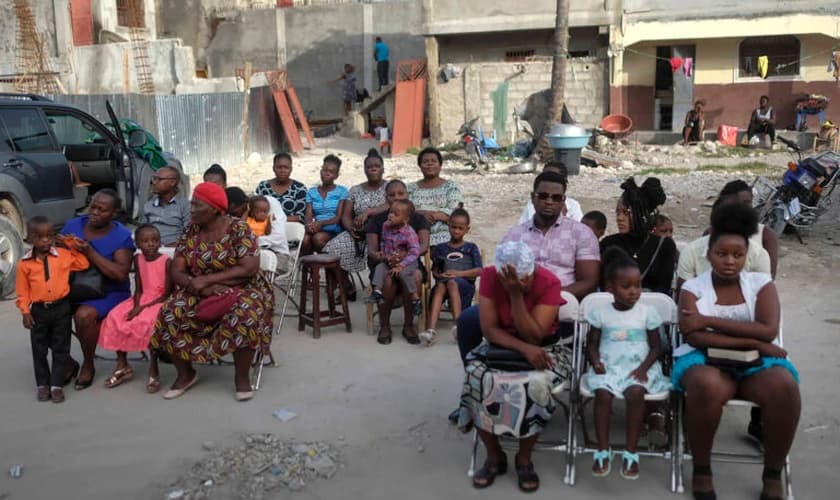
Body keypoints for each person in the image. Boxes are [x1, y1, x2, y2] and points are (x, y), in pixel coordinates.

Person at [674, 202, 800, 500]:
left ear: (747, 256)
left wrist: (708, 322)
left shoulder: (761, 283)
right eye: (722, 254)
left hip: (754, 364)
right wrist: (756, 342)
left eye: (738, 255)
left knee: (784, 388)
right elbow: (695, 339)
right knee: (707, 386)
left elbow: (769, 329)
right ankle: (702, 469)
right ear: (708, 254)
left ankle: (772, 473)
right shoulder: (693, 287)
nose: (730, 261)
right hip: (705, 360)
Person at [457, 241, 571, 493]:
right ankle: (494, 455)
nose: (522, 284)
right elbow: (489, 329)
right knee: (475, 377)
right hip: (502, 346)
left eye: (525, 280)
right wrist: (524, 349)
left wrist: (515, 295)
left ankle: (524, 458)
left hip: (545, 348)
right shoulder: (489, 276)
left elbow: (534, 337)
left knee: (537, 384)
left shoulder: (548, 282)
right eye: (510, 281)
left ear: (532, 271)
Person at [456, 171, 600, 363]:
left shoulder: (581, 234)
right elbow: (500, 273)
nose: (549, 201)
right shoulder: (514, 235)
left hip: (561, 302)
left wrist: (548, 296)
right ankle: (477, 379)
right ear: (533, 198)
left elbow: (589, 281)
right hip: (514, 297)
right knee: (467, 320)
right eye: (543, 196)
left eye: (556, 197)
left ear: (563, 201)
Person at [150, 182, 274, 402]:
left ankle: (241, 377)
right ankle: (186, 374)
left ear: (215, 208)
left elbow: (249, 268)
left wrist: (208, 280)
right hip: (198, 287)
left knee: (245, 313)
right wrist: (197, 285)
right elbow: (177, 269)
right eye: (192, 204)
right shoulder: (190, 230)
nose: (192, 209)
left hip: (243, 286)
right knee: (170, 312)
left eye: (198, 205)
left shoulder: (238, 228)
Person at [584, 248, 671, 480]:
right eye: (627, 286)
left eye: (638, 286)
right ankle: (603, 449)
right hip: (609, 366)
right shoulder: (600, 313)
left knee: (635, 394)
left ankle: (631, 451)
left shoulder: (647, 313)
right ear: (610, 289)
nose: (634, 292)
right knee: (602, 395)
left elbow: (657, 347)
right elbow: (591, 343)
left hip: (640, 366)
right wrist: (595, 362)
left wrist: (643, 368)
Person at [62, 189, 136, 390]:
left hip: (109, 291)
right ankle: (66, 361)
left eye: (101, 210)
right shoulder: (73, 225)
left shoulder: (121, 236)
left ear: (113, 214)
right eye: (92, 206)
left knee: (84, 315)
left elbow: (120, 274)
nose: (93, 212)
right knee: (43, 311)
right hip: (74, 287)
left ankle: (88, 363)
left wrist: (90, 253)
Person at [15, 216, 89, 403]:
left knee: (60, 347)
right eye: (41, 237)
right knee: (39, 349)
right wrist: (25, 311)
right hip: (39, 310)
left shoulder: (62, 256)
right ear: (30, 239)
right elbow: (22, 292)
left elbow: (83, 264)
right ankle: (42, 385)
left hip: (61, 307)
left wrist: (70, 244)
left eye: (50, 236)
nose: (47, 240)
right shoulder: (24, 264)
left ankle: (56, 385)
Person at [98, 225, 170, 393]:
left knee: (147, 322)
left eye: (154, 240)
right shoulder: (138, 259)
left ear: (160, 243)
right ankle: (122, 364)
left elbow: (166, 294)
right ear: (137, 244)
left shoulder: (166, 261)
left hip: (159, 300)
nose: (151, 244)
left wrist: (143, 308)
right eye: (145, 241)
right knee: (116, 316)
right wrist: (136, 305)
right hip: (141, 298)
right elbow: (138, 289)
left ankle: (153, 368)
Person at [366, 179, 431, 345]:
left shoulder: (417, 219)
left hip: (410, 262)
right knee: (387, 280)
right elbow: (372, 250)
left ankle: (409, 325)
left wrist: (402, 256)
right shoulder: (378, 220)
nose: (396, 197)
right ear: (385, 197)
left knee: (415, 276)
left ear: (407, 195)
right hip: (384, 263)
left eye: (401, 193)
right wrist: (385, 256)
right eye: (391, 194)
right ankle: (385, 326)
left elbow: (423, 246)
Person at [322, 149, 389, 297]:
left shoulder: (389, 187)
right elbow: (346, 215)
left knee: (378, 255)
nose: (373, 168)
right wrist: (351, 229)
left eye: (376, 166)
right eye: (369, 166)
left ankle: (380, 289)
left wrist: (369, 212)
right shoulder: (355, 190)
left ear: (383, 169)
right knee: (329, 251)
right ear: (364, 170)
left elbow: (393, 204)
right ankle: (346, 285)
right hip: (357, 233)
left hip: (381, 234)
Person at [600, 177, 677, 295]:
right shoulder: (608, 244)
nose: (619, 218)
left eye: (626, 213)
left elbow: (663, 288)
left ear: (642, 214)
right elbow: (604, 286)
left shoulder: (664, 246)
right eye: (618, 212)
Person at [424, 208, 482, 346]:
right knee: (440, 285)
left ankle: (459, 326)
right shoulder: (441, 248)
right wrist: (440, 275)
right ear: (448, 226)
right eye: (454, 227)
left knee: (451, 283)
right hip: (445, 283)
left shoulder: (471, 247)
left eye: (460, 228)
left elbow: (480, 270)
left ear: (467, 229)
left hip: (464, 285)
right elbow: (435, 271)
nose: (456, 231)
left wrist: (458, 273)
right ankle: (430, 330)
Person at [369, 200, 421, 317]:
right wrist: (384, 254)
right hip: (391, 259)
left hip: (408, 261)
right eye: (390, 212)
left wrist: (401, 265)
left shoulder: (409, 233)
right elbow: (384, 241)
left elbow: (414, 252)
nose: (391, 215)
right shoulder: (386, 225)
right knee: (380, 268)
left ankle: (415, 297)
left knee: (403, 274)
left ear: (405, 219)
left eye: (395, 214)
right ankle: (377, 291)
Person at [407, 147, 463, 246]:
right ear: (420, 166)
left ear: (440, 165)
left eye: (434, 161)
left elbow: (456, 212)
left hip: (444, 236)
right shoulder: (410, 188)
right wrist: (421, 214)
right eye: (425, 161)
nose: (430, 164)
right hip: (415, 235)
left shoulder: (451, 187)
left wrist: (434, 216)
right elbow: (404, 210)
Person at [303, 154, 348, 255]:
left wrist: (321, 223)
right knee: (305, 240)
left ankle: (331, 265)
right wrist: (308, 225)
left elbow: (338, 217)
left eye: (331, 172)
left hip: (333, 229)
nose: (326, 173)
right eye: (324, 170)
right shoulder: (312, 192)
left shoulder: (342, 191)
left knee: (318, 239)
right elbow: (308, 215)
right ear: (320, 171)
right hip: (316, 228)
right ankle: (308, 269)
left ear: (336, 175)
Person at [518, 161, 584, 223]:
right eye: (545, 177)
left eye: (554, 178)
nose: (549, 202)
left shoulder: (573, 206)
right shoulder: (533, 205)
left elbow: (580, 230)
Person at [141, 166, 190, 247]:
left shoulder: (185, 206)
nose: (154, 182)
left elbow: (189, 234)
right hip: (152, 250)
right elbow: (142, 232)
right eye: (153, 178)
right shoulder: (147, 206)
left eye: (158, 179)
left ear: (172, 182)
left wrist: (171, 247)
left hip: (175, 250)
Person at [255, 153, 308, 222]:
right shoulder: (263, 187)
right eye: (279, 167)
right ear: (273, 168)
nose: (282, 171)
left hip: (291, 227)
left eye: (286, 167)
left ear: (291, 169)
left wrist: (277, 220)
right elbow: (255, 210)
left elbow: (302, 216)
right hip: (265, 226)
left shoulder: (299, 188)